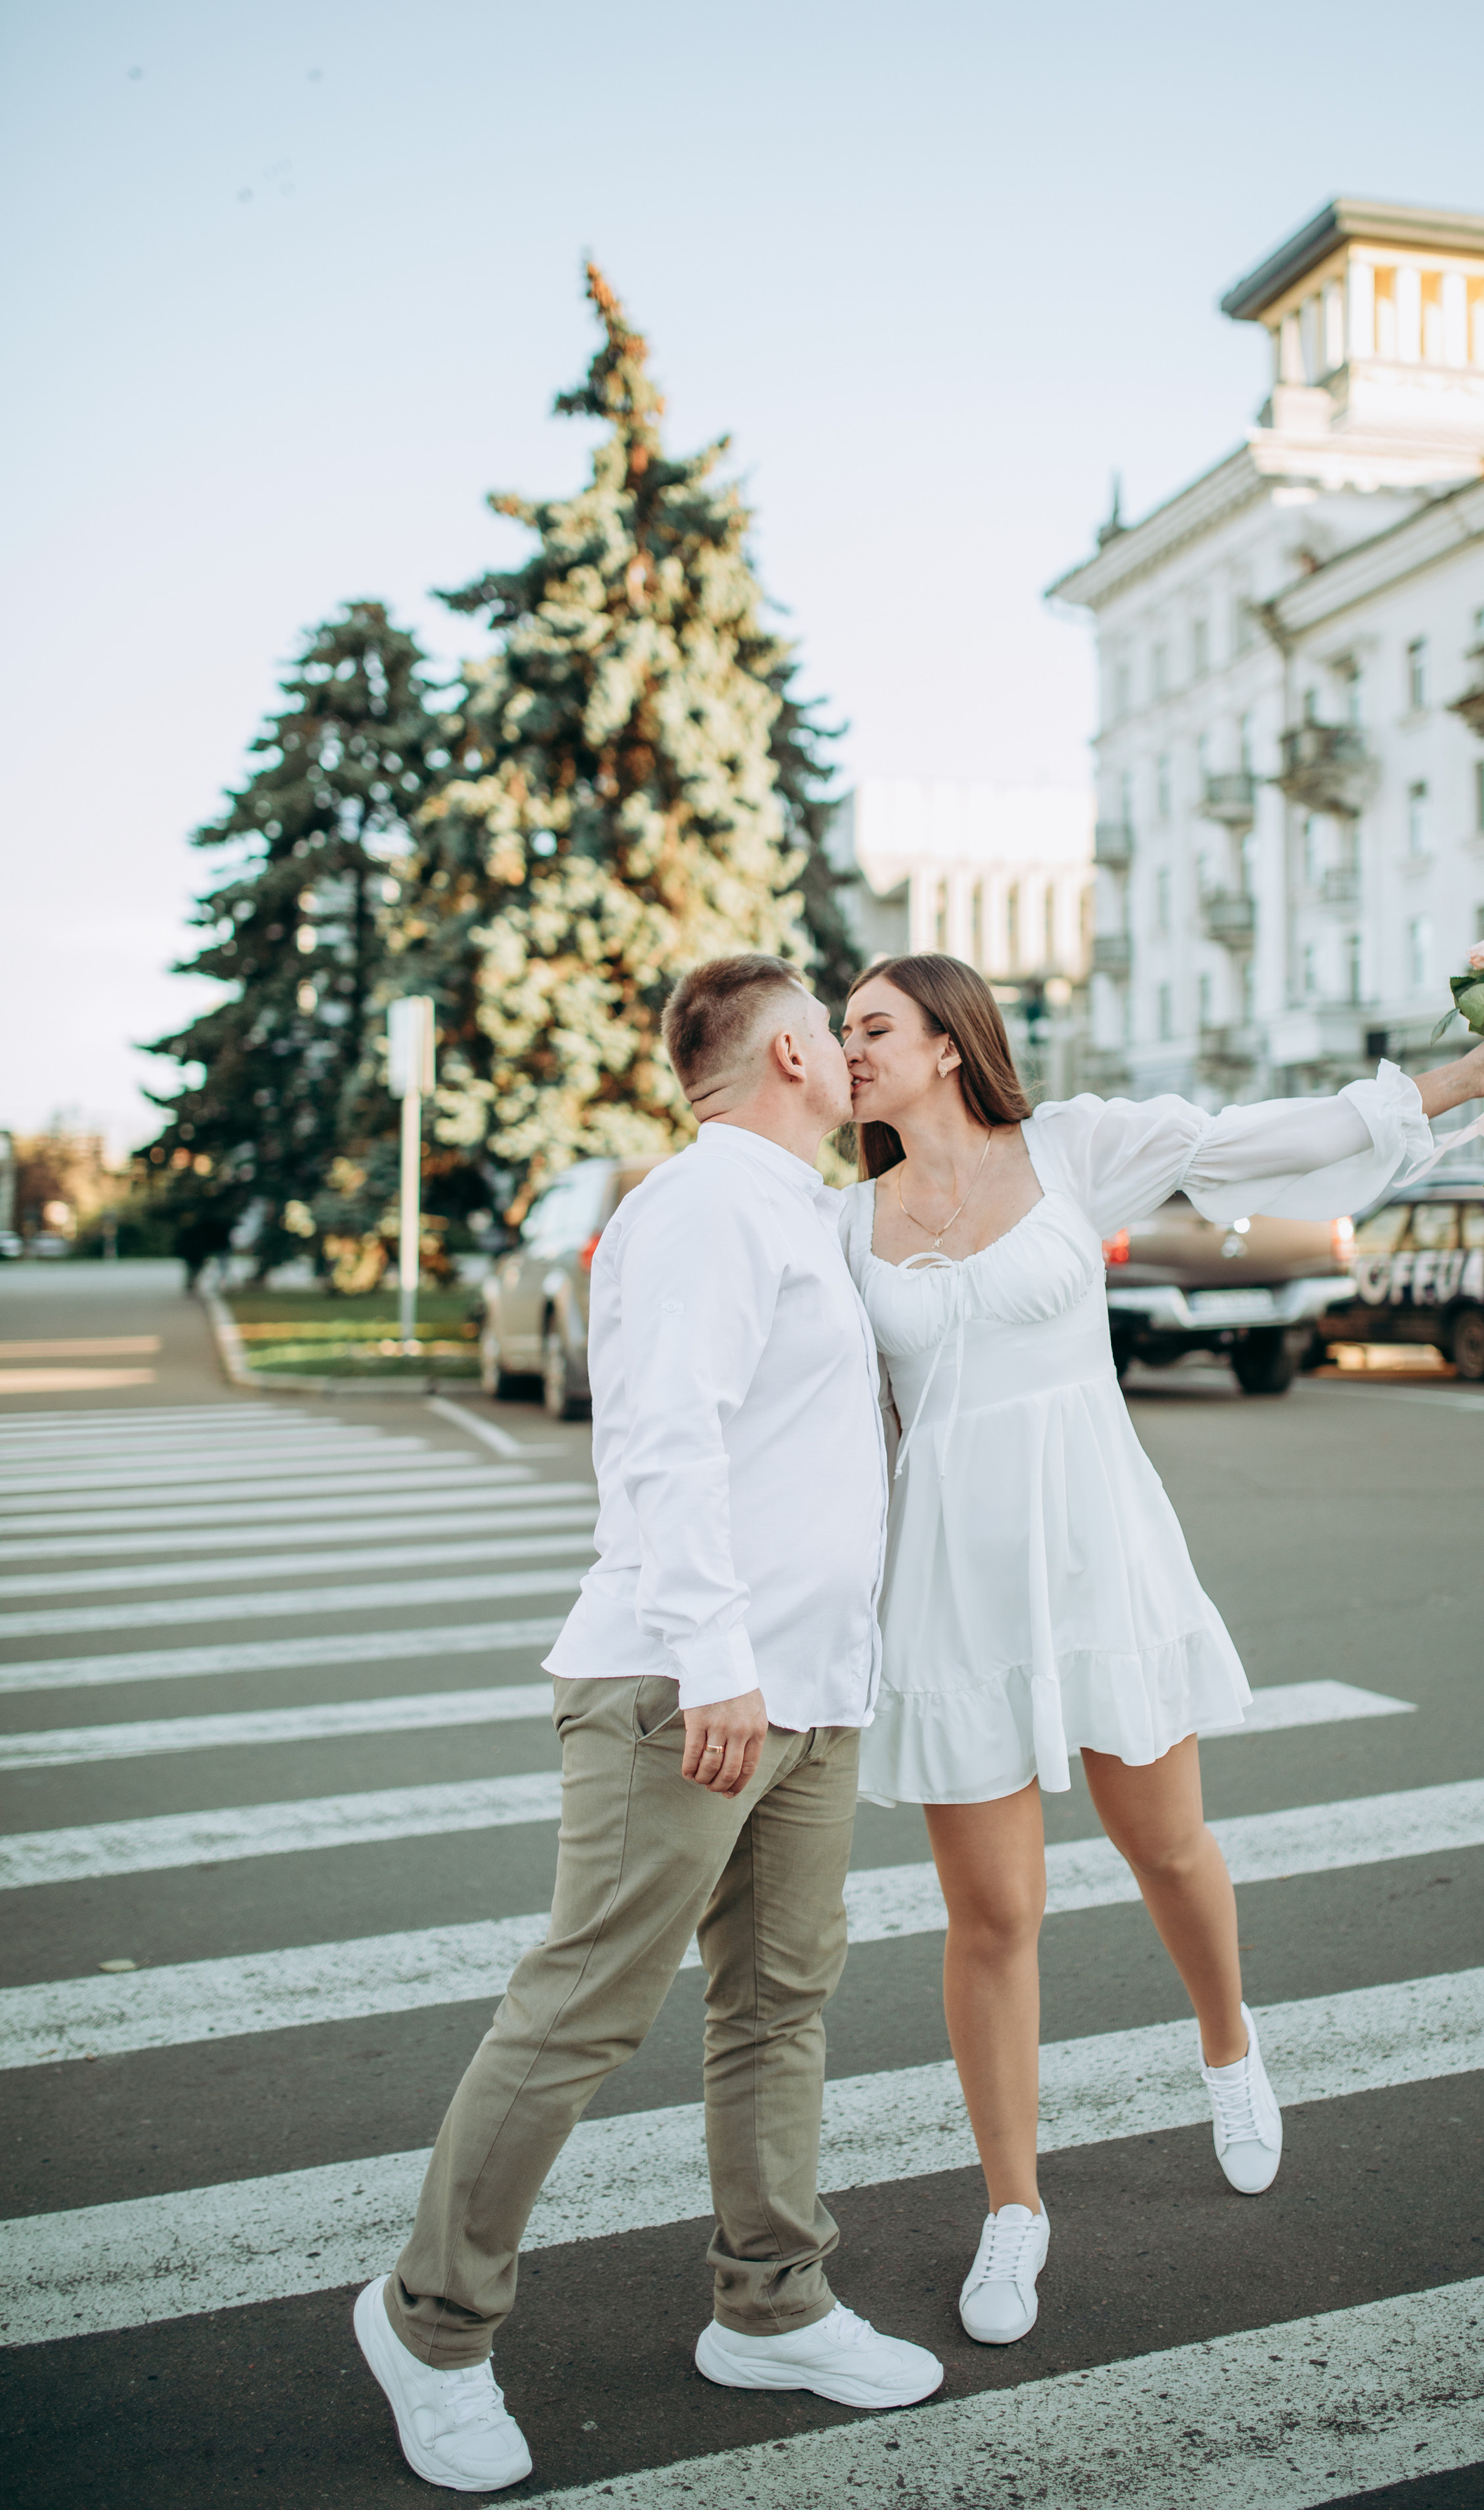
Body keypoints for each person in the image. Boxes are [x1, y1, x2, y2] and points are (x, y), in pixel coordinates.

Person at [837, 953, 1484, 2351]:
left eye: (869, 1027)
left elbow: (1251, 1141)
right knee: (992, 1919)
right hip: (953, 1594)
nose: (843, 1048)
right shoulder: (842, 1226)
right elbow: (835, 1432)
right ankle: (1013, 2210)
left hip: (1098, 1555)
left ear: (949, 1046)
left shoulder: (1071, 1150)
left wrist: (1436, 1085)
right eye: (842, 1029)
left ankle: (1226, 2046)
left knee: (1164, 1847)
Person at [355, 955, 943, 2495]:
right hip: (686, 1688)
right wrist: (715, 1659)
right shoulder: (703, 1209)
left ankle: (771, 2305)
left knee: (774, 2008)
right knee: (576, 2016)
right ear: (793, 1056)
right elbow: (662, 1444)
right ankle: (430, 2327)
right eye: (833, 1028)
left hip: (806, 1690)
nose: (849, 1050)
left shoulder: (799, 1210)